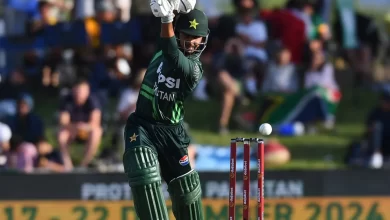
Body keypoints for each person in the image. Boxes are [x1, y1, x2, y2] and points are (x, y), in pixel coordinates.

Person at [122, 0, 207, 219]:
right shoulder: (165, 41)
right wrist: (174, 9)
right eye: (186, 35)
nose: (190, 42)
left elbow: (171, 52)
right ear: (178, 34)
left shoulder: (193, 70)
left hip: (171, 132)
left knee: (186, 189)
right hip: (142, 124)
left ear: (203, 39)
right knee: (143, 171)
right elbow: (165, 38)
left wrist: (167, 18)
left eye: (195, 37)